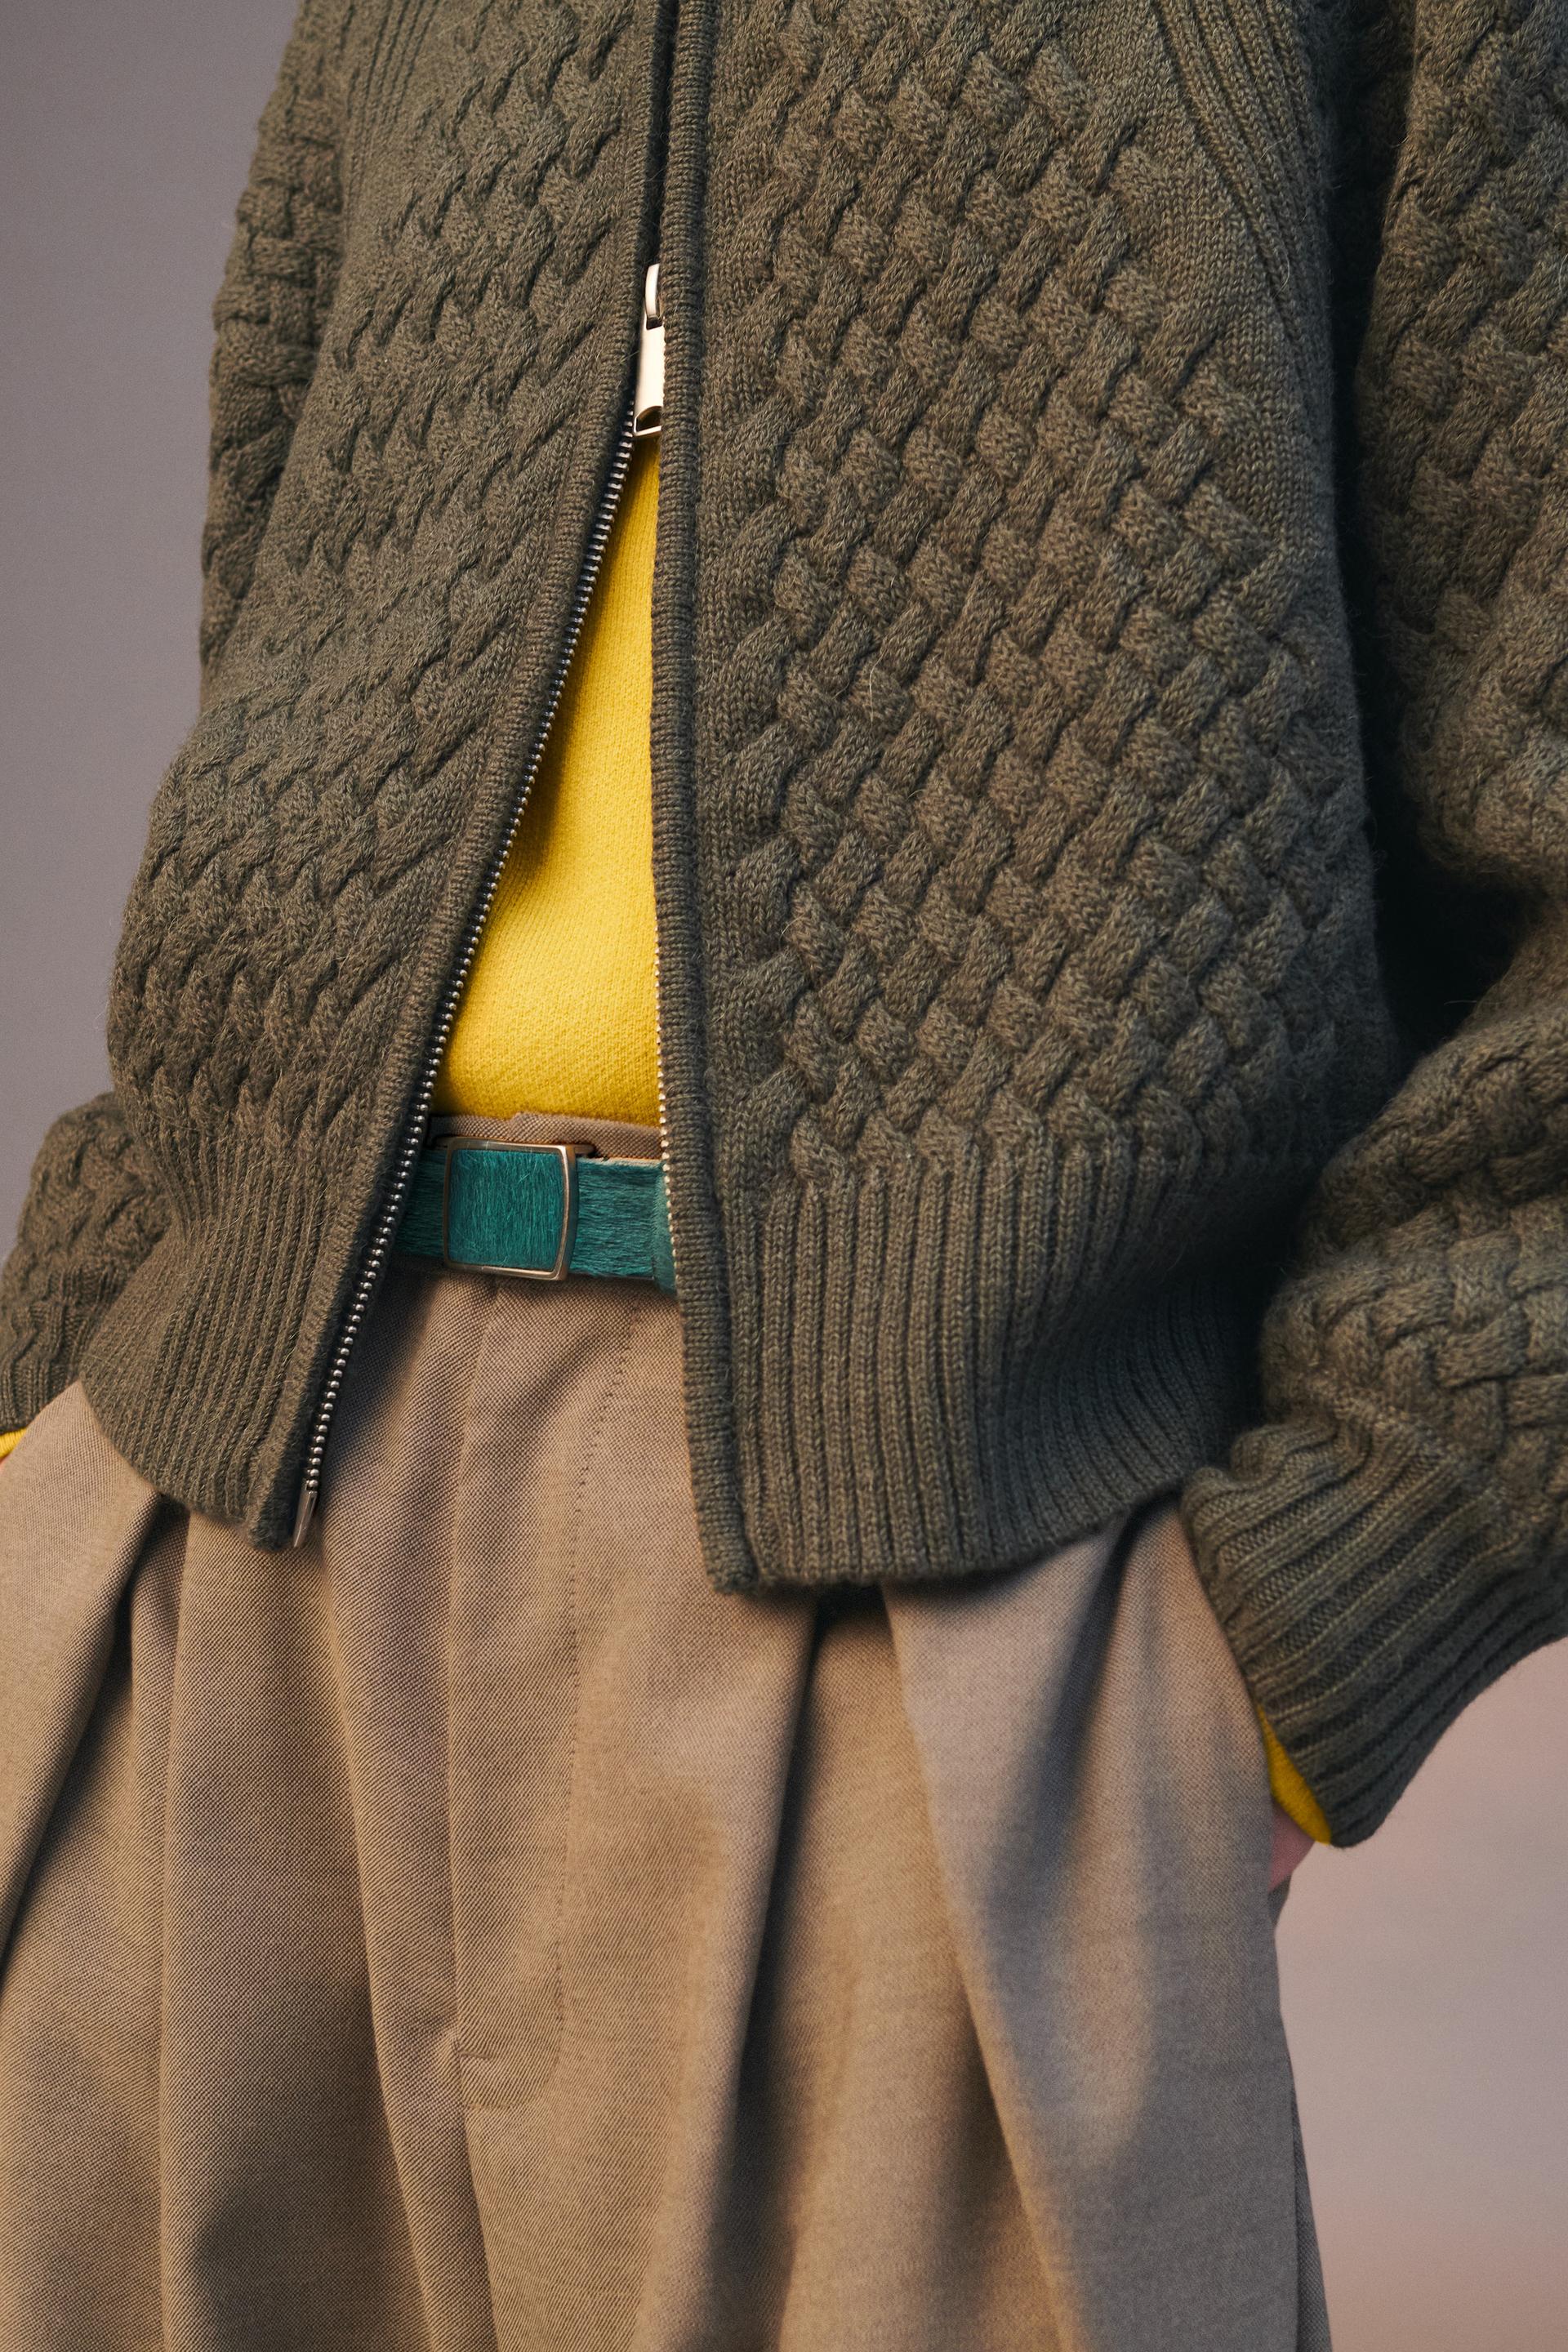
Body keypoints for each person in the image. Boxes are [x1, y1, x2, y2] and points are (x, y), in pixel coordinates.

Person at [0, 0, 1563, 2340]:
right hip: (232, 1512)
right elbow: (283, 636)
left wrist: (1337, 1596)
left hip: (946, 1568)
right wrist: (53, 1412)